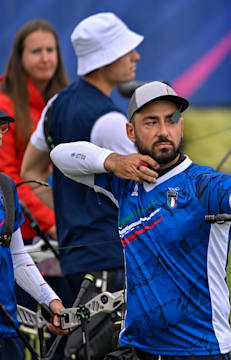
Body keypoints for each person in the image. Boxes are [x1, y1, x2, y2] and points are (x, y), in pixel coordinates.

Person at [48, 81, 231, 359]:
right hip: (139, 347)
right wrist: (113, 161)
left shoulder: (203, 184)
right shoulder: (125, 181)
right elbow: (61, 155)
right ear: (130, 132)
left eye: (171, 119)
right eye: (151, 122)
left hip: (198, 348)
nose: (164, 130)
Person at [21, 12, 143, 295]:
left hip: (74, 258)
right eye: (127, 51)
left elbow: (31, 170)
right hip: (113, 261)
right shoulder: (110, 120)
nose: (135, 57)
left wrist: (69, 214)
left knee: (84, 339)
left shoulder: (56, 103)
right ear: (105, 59)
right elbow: (143, 194)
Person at [1, 110, 67, 360]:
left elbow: (17, 256)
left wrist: (53, 302)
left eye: (1, 128)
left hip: (7, 333)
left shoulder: (6, 187)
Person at [0, 19, 69, 243]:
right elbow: (8, 176)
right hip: (23, 235)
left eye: (50, 50)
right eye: (36, 51)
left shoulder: (65, 101)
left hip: (64, 227)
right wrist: (50, 222)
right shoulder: (4, 105)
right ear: (20, 57)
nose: (45, 58)